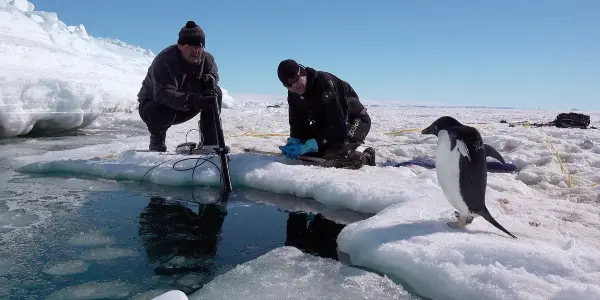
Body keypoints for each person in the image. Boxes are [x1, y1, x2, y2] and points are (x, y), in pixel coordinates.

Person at [137, 20, 223, 152]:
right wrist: (193, 101)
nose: (196, 51)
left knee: (214, 92)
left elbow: (214, 75)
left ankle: (209, 142)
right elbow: (162, 94)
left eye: (199, 46)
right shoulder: (165, 60)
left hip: (189, 105)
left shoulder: (207, 59)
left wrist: (209, 80)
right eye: (190, 46)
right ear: (180, 46)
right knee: (159, 109)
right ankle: (157, 142)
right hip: (155, 106)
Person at [276, 59, 375, 166]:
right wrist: (295, 141)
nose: (294, 85)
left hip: (353, 120)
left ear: (302, 72)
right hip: (327, 124)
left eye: (295, 79)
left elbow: (338, 126)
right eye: (288, 85)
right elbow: (297, 122)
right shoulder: (293, 93)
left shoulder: (325, 83)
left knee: (336, 156)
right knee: (312, 154)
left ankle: (367, 157)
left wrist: (309, 145)